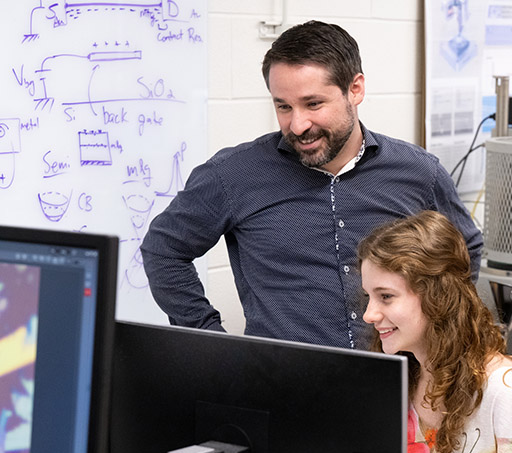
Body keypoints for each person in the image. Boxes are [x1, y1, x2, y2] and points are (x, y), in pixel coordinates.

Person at [140, 21, 483, 348]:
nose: (298, 124)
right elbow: (164, 250)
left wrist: (439, 334)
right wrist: (211, 341)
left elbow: (464, 251)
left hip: (400, 382)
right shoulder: (233, 175)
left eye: (313, 103)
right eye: (283, 106)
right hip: (282, 385)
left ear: (355, 89)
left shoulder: (419, 171)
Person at [358, 211, 512, 453]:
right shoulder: (402, 376)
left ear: (436, 297)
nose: (369, 314)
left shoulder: (506, 392)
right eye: (368, 296)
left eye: (386, 297)